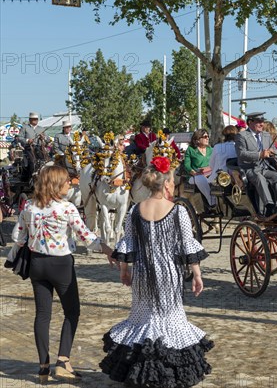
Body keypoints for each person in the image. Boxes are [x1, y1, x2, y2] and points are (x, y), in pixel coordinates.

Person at [100, 156, 213, 387]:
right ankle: (165, 373)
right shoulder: (177, 211)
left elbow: (128, 243)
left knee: (143, 318)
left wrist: (124, 270)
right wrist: (198, 275)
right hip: (168, 273)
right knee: (170, 320)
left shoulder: (134, 210)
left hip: (142, 271)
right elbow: (186, 245)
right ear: (168, 184)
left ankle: (143, 372)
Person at [11, 165, 114, 383]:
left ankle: (42, 367)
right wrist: (108, 250)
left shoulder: (29, 206)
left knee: (42, 314)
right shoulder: (66, 208)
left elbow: (17, 237)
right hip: (61, 264)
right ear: (57, 183)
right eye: (67, 181)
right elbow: (86, 236)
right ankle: (63, 360)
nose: (71, 184)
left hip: (37, 265)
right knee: (72, 311)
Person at [234, 112, 277, 218]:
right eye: (258, 122)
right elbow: (242, 154)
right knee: (259, 178)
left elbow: (275, 151)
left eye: (262, 121)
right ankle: (269, 206)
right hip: (249, 169)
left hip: (265, 168)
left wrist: (272, 152)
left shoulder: (266, 135)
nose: (262, 124)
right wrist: (259, 154)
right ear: (250, 122)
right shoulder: (241, 136)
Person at [184, 129, 213, 208]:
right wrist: (194, 172)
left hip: (210, 174)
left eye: (208, 136)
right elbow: (186, 165)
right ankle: (212, 201)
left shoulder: (211, 149)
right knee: (200, 178)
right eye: (205, 136)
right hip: (194, 176)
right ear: (197, 139)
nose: (207, 138)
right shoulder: (191, 150)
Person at [19, 112, 49, 178]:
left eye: (36, 119)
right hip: (29, 148)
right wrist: (27, 140)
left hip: (40, 148)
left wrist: (44, 137)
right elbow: (20, 138)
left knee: (45, 161)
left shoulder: (41, 129)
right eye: (34, 119)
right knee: (32, 162)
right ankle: (31, 177)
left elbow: (48, 140)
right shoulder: (25, 127)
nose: (35, 120)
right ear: (30, 120)